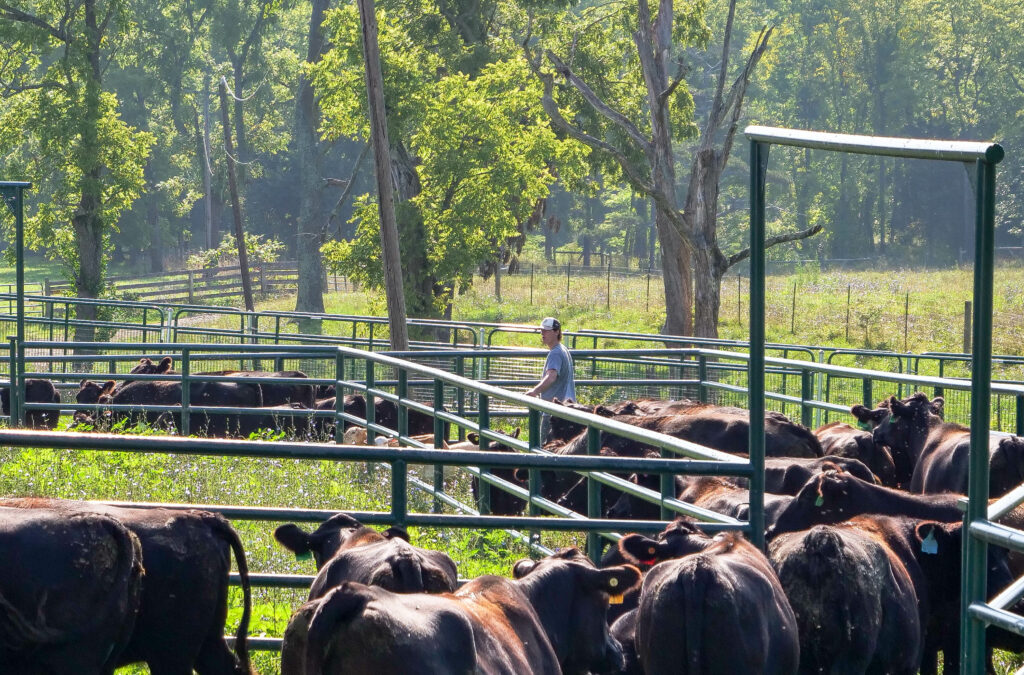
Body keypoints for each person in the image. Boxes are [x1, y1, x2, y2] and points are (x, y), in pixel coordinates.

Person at [525, 316, 576, 442]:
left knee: (545, 450)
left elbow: (551, 376)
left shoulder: (556, 353)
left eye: (547, 330)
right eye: (542, 330)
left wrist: (534, 391)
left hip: (553, 412)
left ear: (557, 331)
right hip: (567, 409)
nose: (543, 333)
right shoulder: (562, 350)